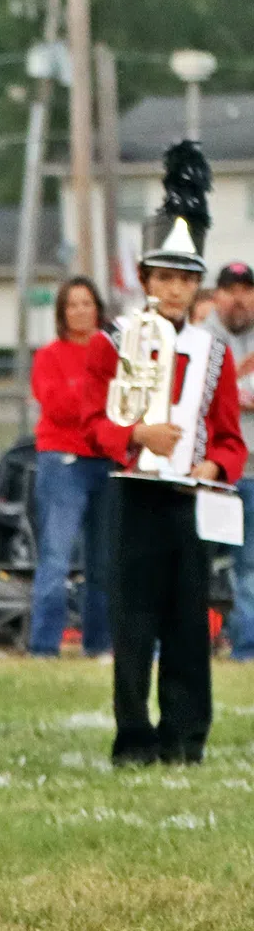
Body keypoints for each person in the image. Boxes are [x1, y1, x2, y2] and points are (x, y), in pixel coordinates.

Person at [92, 144, 244, 765]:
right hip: (134, 498)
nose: (175, 289)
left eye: (186, 279)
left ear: (194, 284)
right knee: (134, 626)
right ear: (147, 281)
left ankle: (186, 737)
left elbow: (231, 438)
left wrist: (214, 468)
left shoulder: (215, 354)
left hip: (187, 504)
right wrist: (134, 438)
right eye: (165, 278)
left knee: (188, 625)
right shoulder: (114, 342)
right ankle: (134, 738)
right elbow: (86, 424)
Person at [27, 278, 119, 658]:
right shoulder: (49, 356)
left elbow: (126, 404)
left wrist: (95, 404)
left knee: (103, 559)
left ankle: (98, 644)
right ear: (62, 313)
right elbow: (57, 405)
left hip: (107, 461)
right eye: (73, 304)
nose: (81, 311)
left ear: (98, 307)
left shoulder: (115, 356)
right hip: (63, 461)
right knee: (56, 557)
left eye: (87, 303)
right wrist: (99, 403)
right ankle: (44, 647)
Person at [202, 261, 254, 659]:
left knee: (248, 564)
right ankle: (190, 641)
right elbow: (202, 398)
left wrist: (230, 391)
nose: (239, 297)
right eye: (231, 289)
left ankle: (245, 647)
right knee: (200, 561)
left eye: (246, 289)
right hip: (211, 470)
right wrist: (237, 386)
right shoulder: (201, 340)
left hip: (252, 471)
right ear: (216, 295)